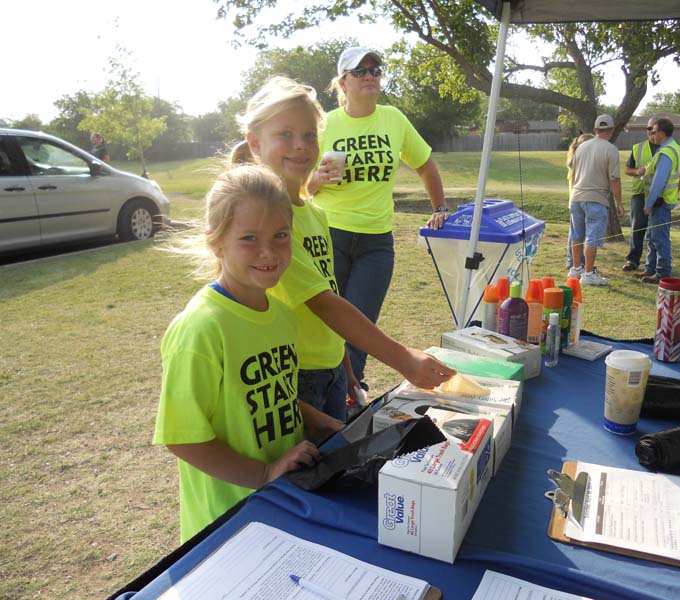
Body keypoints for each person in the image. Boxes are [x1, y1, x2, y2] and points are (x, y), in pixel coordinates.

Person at [233, 76, 454, 419]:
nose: (301, 145)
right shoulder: (269, 225)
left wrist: (348, 370)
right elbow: (323, 304)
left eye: (309, 135)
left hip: (333, 370)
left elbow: (331, 291)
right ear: (254, 143)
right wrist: (403, 358)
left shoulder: (316, 214)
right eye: (285, 134)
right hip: (294, 377)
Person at [153, 164, 345, 542]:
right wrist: (263, 473)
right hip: (228, 521)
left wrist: (313, 417)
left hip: (283, 500)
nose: (268, 252)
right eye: (249, 239)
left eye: (280, 235)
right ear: (216, 243)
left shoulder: (282, 314)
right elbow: (183, 437)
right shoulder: (202, 328)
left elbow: (264, 392)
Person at [307, 47, 449, 390]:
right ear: (343, 82)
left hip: (376, 242)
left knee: (361, 327)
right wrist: (318, 180)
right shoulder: (325, 124)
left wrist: (440, 207)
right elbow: (300, 186)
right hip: (331, 235)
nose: (370, 75)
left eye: (375, 69)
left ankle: (350, 394)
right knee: (327, 327)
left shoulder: (393, 119)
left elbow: (425, 164)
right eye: (360, 71)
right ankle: (333, 397)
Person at [567, 115, 624, 286]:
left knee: (576, 235)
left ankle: (576, 268)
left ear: (595, 130)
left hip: (576, 196)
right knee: (592, 236)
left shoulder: (581, 147)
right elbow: (614, 179)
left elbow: (574, 175)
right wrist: (619, 203)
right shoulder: (611, 149)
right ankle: (588, 273)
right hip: (596, 198)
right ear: (612, 130)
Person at [635, 117, 680, 284]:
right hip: (660, 202)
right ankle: (650, 269)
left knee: (659, 239)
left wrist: (648, 204)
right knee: (652, 236)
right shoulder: (671, 148)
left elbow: (659, 181)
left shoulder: (666, 152)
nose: (651, 135)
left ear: (662, 133)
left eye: (654, 132)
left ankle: (662, 273)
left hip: (660, 203)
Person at [622, 117, 659, 272]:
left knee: (656, 230)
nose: (650, 132)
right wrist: (637, 171)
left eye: (653, 129)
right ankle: (633, 260)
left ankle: (655, 264)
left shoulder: (669, 148)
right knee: (637, 228)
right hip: (640, 194)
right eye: (648, 129)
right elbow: (627, 169)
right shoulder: (638, 148)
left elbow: (679, 173)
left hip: (660, 196)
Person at [565, 133, 593, 270]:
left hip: (578, 200)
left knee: (579, 233)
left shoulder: (579, 159)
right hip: (577, 200)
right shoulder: (576, 161)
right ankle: (572, 262)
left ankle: (578, 261)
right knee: (575, 233)